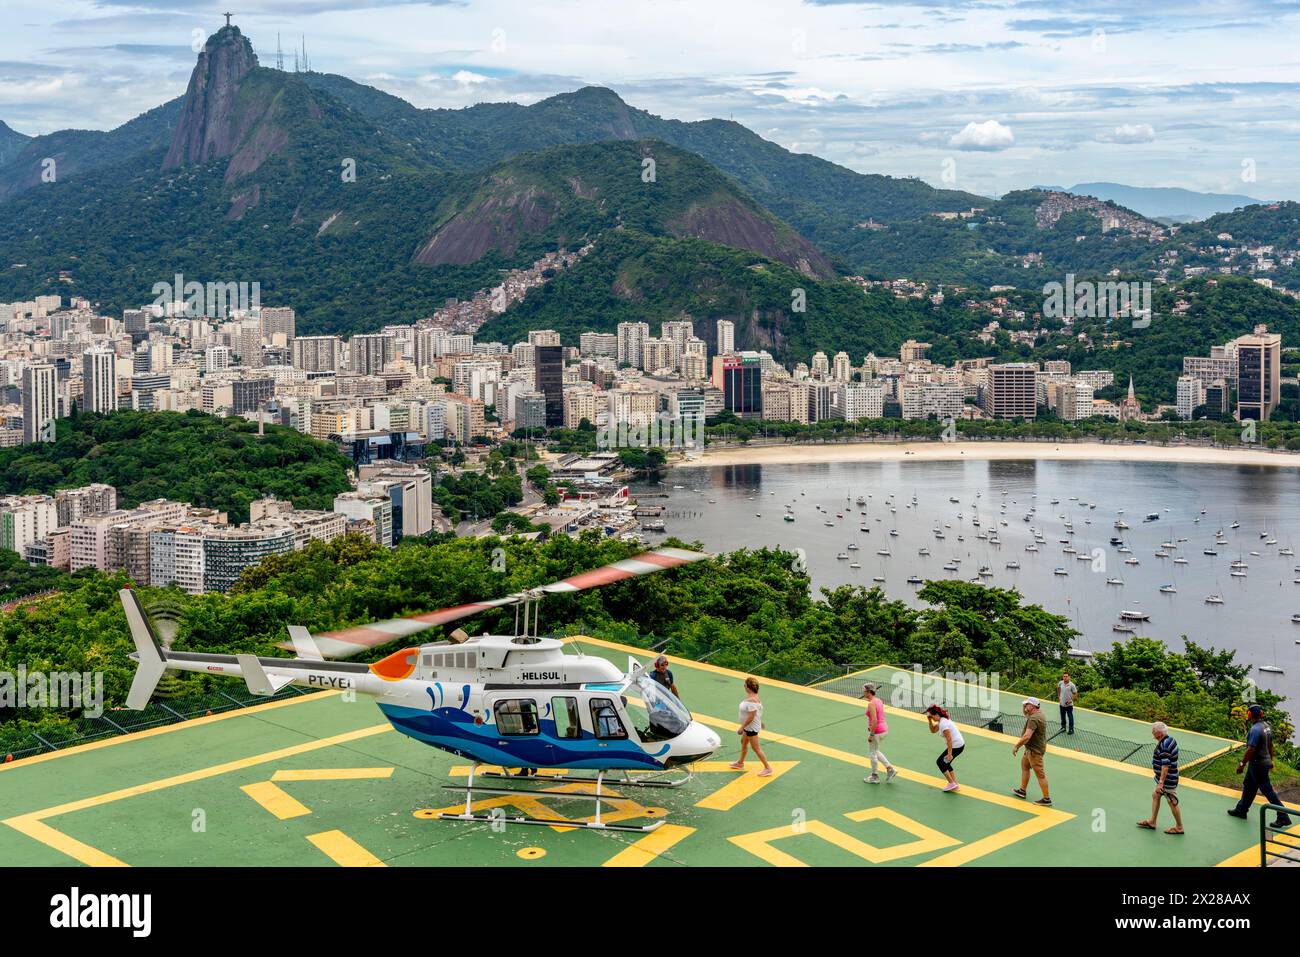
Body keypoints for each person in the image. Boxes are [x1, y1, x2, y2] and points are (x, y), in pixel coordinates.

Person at [1228, 704, 1294, 827]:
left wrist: (1242, 764)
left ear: (1250, 715)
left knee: (1267, 790)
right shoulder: (1266, 727)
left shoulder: (1255, 730)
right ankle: (1241, 809)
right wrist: (1271, 760)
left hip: (1258, 764)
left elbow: (1250, 749)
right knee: (1249, 785)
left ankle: (1283, 816)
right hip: (1262, 763)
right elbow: (1270, 745)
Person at [1137, 722, 1183, 835]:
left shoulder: (1164, 745)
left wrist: (1161, 783)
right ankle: (1152, 821)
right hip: (1165, 778)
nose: (1152, 732)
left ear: (1159, 733)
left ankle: (1179, 827)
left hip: (1167, 780)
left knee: (1172, 801)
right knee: (1156, 795)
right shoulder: (1169, 739)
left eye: (1153, 730)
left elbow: (1165, 765)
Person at [729, 677, 773, 777]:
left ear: (748, 688)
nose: (744, 687)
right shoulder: (756, 698)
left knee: (756, 748)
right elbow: (757, 713)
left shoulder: (752, 700)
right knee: (743, 742)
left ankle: (768, 768)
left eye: (744, 685)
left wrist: (742, 727)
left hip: (751, 728)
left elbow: (752, 716)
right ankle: (740, 763)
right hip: (749, 727)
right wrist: (760, 722)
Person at [1012, 697, 1052, 805]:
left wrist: (1017, 746)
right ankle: (1022, 790)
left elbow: (1027, 736)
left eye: (1027, 705)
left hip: (1035, 751)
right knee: (1025, 766)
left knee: (1040, 774)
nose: (1025, 707)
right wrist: (1024, 708)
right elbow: (1026, 714)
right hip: (1031, 750)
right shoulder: (1039, 714)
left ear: (1033, 706)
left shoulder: (1034, 719)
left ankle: (1046, 798)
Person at [861, 683, 897, 784]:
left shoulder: (871, 704)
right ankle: (890, 769)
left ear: (868, 692)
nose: (863, 692)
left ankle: (874, 776)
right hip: (884, 730)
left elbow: (875, 720)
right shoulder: (879, 700)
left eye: (864, 691)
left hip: (876, 732)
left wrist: (871, 734)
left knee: (872, 753)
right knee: (876, 751)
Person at [926, 704, 964, 792]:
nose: (931, 718)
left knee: (940, 762)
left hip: (956, 746)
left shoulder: (943, 724)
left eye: (932, 716)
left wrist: (950, 754)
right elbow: (933, 731)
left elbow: (949, 739)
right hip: (958, 745)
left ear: (936, 714)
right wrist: (929, 720)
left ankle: (951, 783)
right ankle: (955, 784)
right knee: (946, 763)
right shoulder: (941, 720)